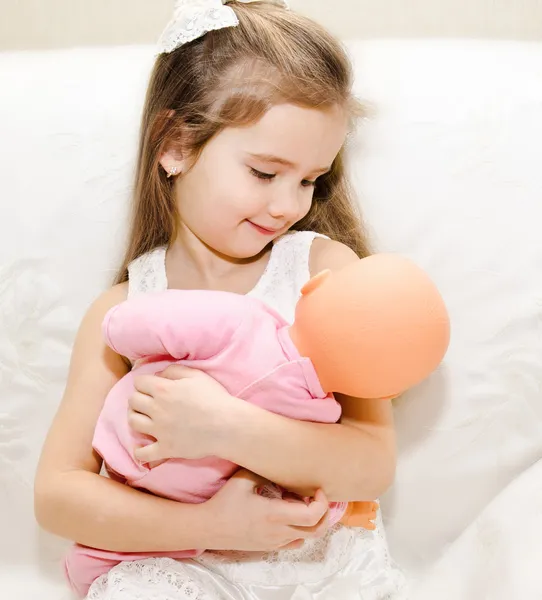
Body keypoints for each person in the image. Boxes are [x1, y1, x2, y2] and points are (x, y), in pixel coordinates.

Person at [34, 1, 406, 597]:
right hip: (184, 566)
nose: (290, 204)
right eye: (264, 172)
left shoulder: (323, 275)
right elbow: (57, 496)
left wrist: (226, 428)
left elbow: (372, 465)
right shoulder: (121, 313)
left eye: (310, 179)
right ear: (176, 144)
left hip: (318, 568)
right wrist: (208, 525)